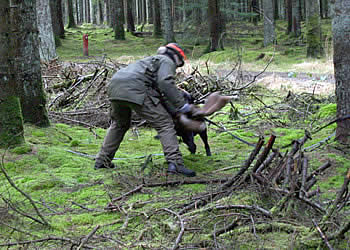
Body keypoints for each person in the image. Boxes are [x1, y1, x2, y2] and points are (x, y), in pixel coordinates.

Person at [94, 43, 199, 177]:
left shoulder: (148, 62)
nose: (177, 67)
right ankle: (176, 164)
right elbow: (165, 83)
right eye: (178, 64)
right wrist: (182, 105)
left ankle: (102, 161)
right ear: (175, 56)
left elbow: (160, 92)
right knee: (165, 124)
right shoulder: (166, 60)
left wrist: (174, 106)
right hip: (136, 88)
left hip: (115, 86)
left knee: (119, 124)